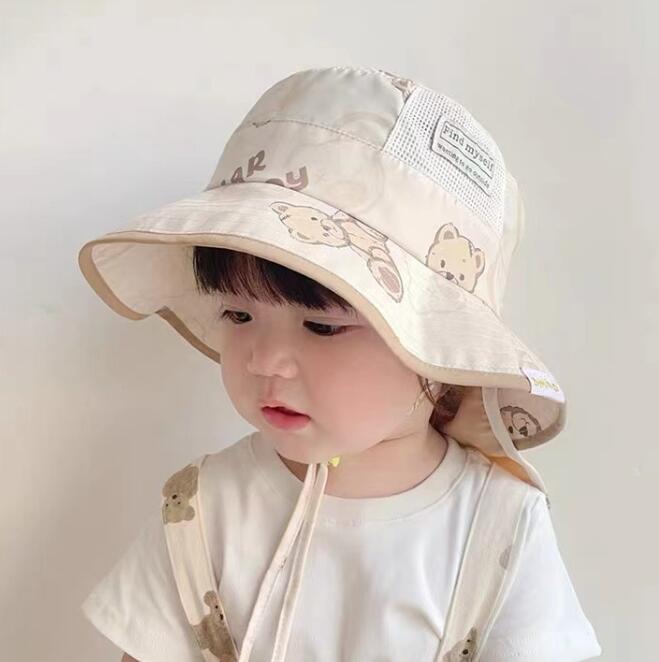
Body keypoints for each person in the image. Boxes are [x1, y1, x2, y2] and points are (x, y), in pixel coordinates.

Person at [78, 66, 602, 661]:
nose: (266, 361)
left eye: (322, 326)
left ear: (435, 344)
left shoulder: (496, 524)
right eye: (239, 315)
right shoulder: (205, 508)